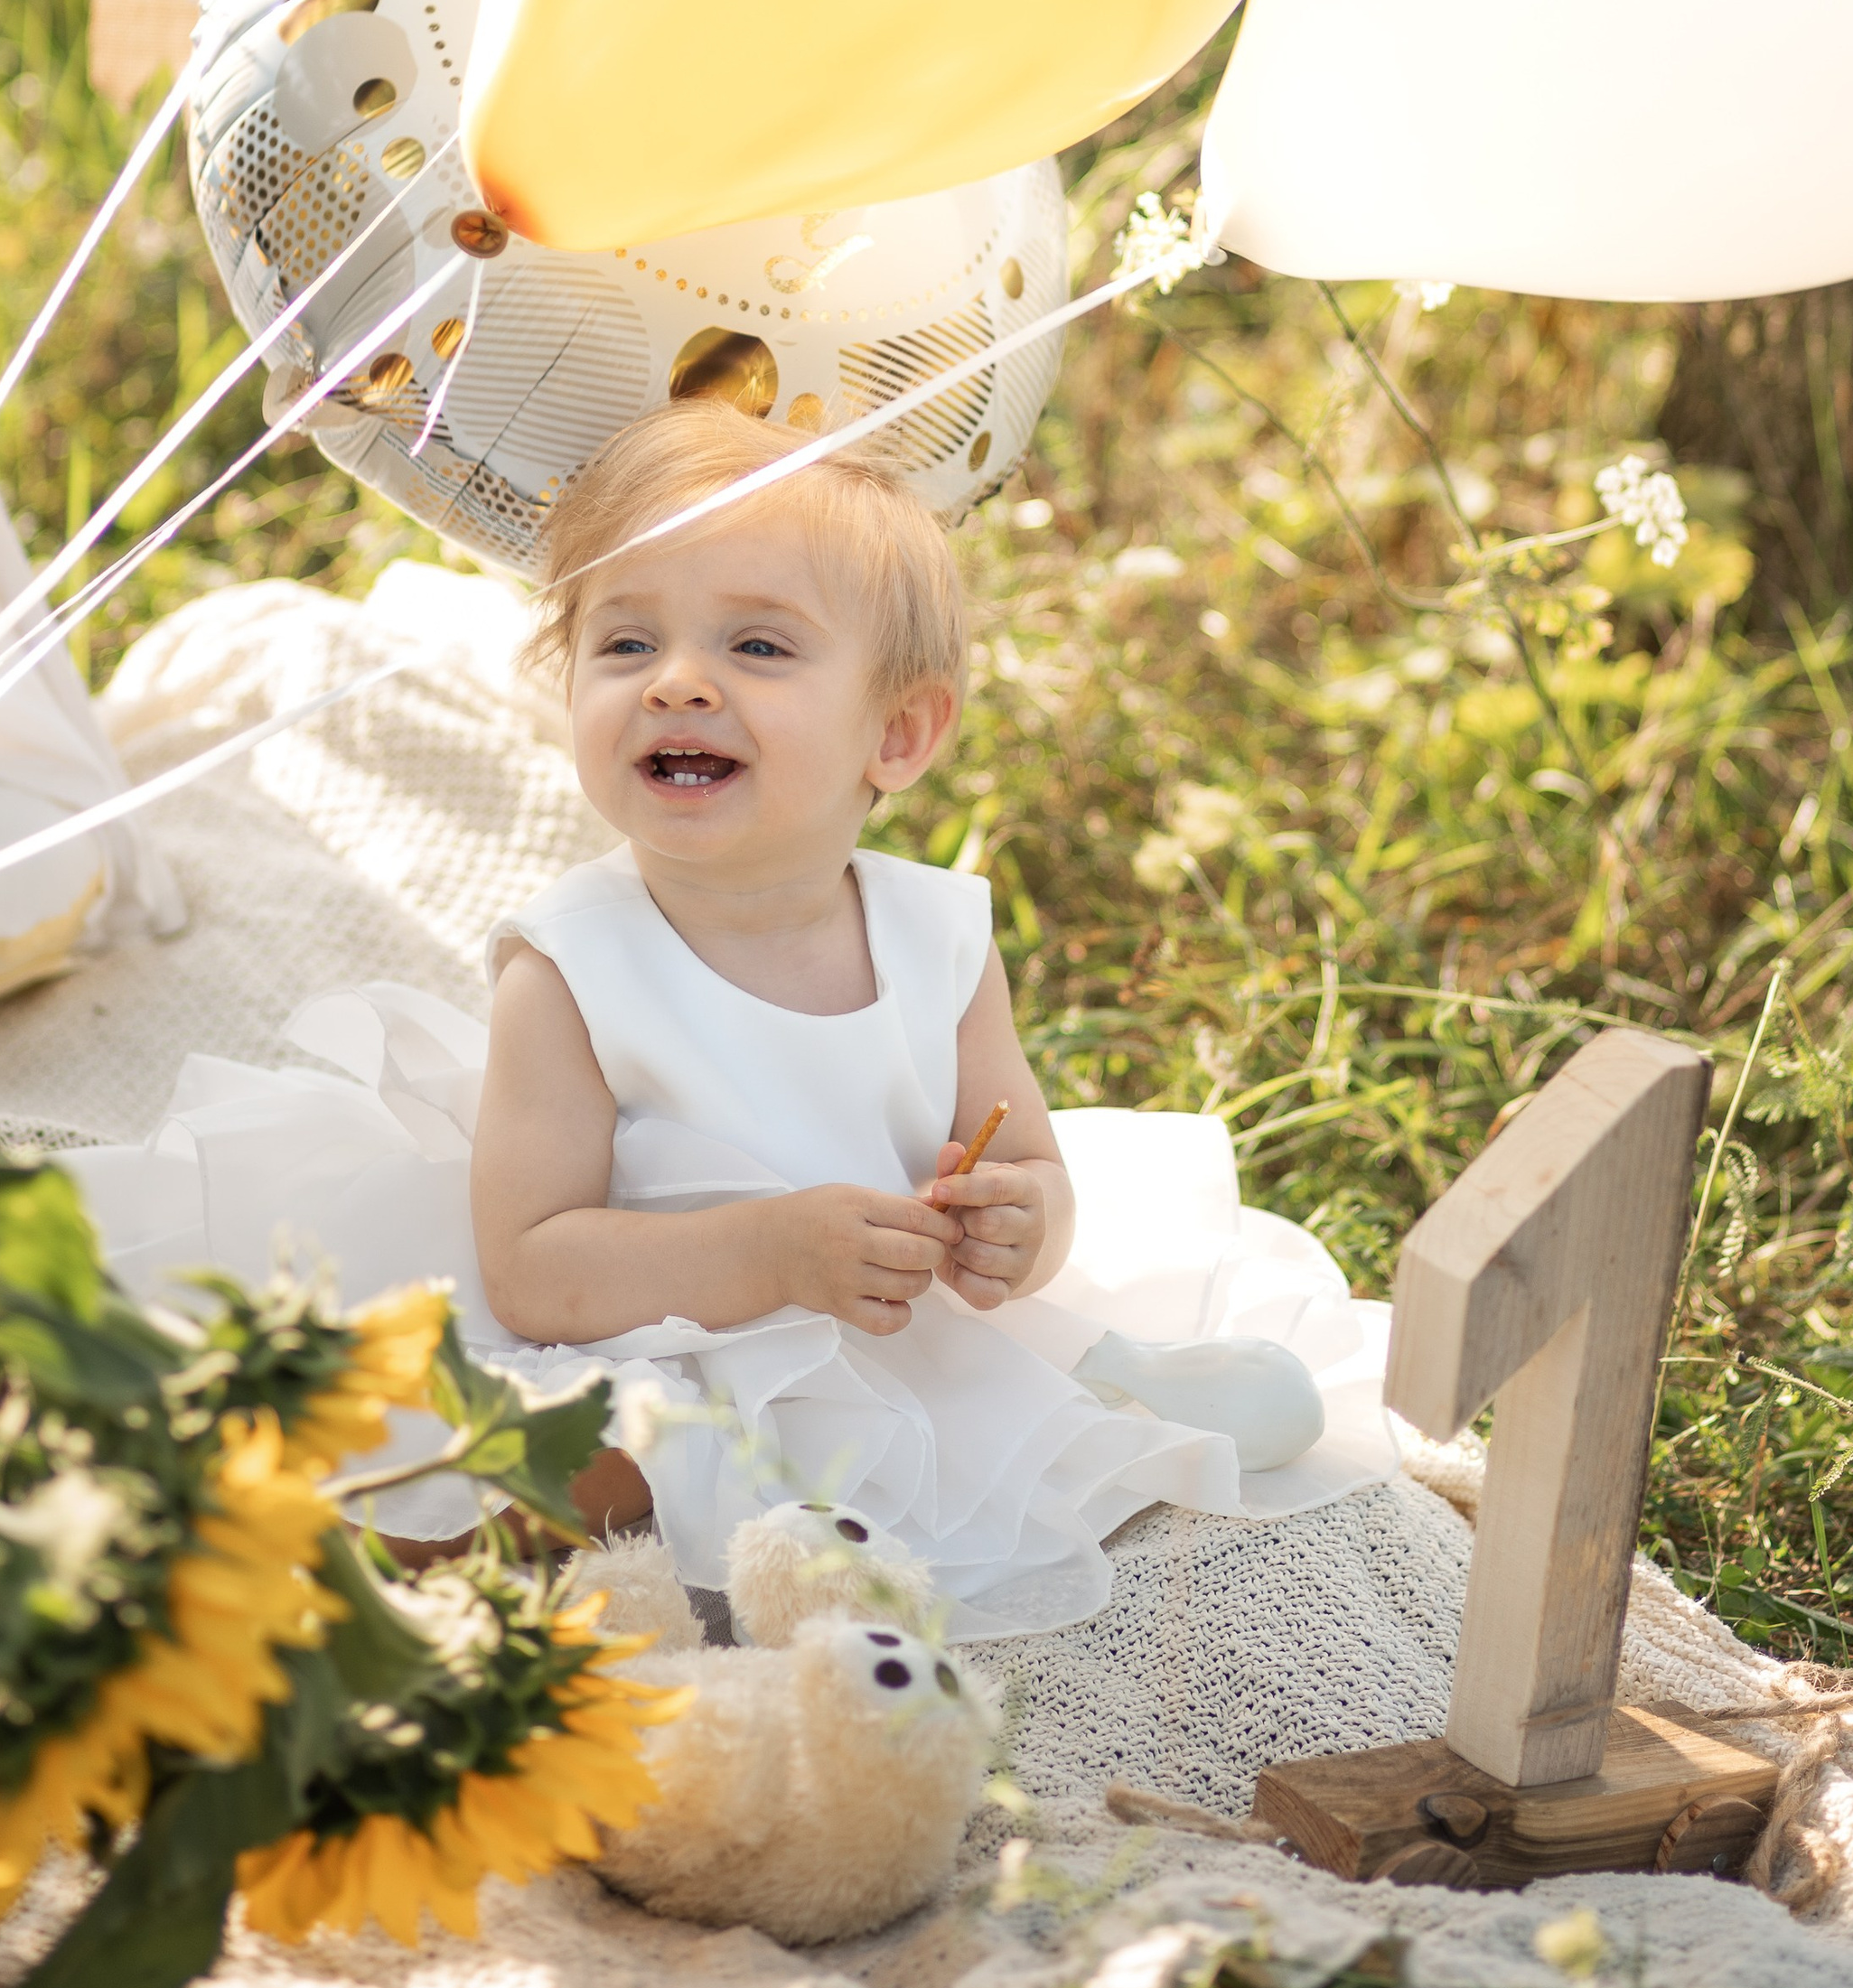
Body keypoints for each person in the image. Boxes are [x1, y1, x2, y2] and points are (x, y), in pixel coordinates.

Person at [78, 406, 1395, 1638]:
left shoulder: (936, 935)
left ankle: (1098, 1388)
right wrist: (768, 1251)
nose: (676, 682)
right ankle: (356, 1564)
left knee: (1001, 1411)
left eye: (757, 647)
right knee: (589, 1453)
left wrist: (1015, 1227)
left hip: (882, 1325)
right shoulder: (574, 966)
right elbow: (533, 1269)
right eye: (626, 643)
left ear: (899, 732)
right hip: (651, 1317)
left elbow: (1029, 1165)